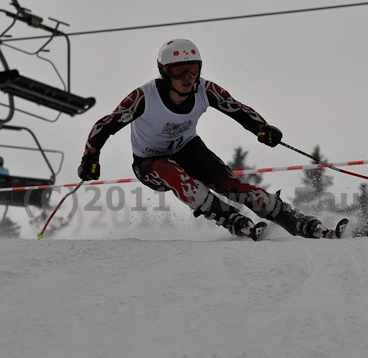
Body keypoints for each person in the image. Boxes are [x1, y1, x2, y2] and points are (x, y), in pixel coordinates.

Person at [78, 39, 344, 239]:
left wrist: (262, 129)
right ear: (163, 72)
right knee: (167, 169)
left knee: (229, 184)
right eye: (178, 71)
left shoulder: (205, 89)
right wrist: (90, 157)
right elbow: (106, 124)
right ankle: (229, 218)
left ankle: (301, 223)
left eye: (192, 69)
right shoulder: (144, 97)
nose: (187, 78)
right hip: (149, 163)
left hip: (188, 149)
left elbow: (237, 108)